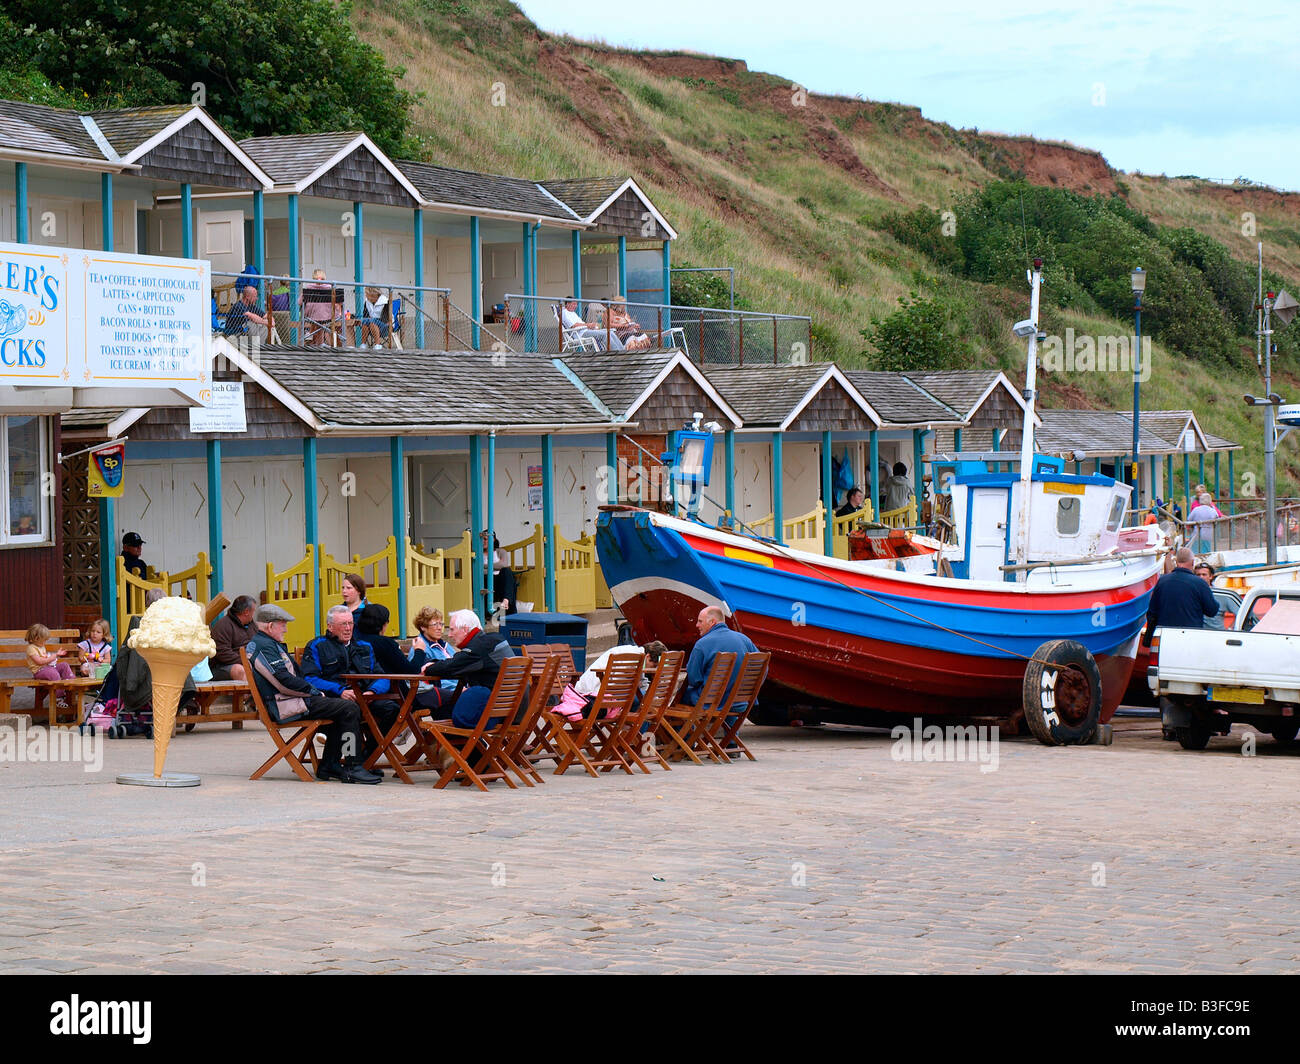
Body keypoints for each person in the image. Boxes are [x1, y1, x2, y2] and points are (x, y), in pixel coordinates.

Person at [245, 604, 380, 784]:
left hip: (289, 700)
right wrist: (314, 692)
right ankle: (352, 766)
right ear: (270, 626)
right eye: (283, 624)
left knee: (341, 709)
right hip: (285, 705)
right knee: (349, 708)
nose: (285, 629)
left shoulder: (265, 644)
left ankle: (329, 765)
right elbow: (283, 680)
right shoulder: (265, 646)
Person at [303, 605, 401, 766]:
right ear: (330, 626)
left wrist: (372, 692)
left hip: (365, 697)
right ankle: (351, 762)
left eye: (350, 623)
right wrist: (340, 691)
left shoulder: (364, 646)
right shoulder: (317, 645)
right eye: (343, 624)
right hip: (334, 699)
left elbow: (382, 676)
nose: (348, 628)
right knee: (349, 710)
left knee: (393, 709)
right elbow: (309, 679)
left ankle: (366, 758)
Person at [419, 608, 517, 728]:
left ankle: (463, 746)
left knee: (442, 707)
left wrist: (430, 667)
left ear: (465, 629)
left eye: (452, 630)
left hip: (495, 713)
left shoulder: (479, 648)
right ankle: (469, 746)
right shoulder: (495, 639)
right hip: (513, 708)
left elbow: (453, 665)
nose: (449, 635)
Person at [681, 606, 757, 708]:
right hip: (739, 703)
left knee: (677, 696)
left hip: (709, 703)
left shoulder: (702, 644)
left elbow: (694, 679)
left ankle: (684, 724)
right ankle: (725, 724)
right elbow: (762, 669)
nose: (697, 625)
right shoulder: (745, 640)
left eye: (700, 621)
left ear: (712, 622)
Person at [1142, 546, 1219, 645]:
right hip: (1191, 638)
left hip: (1165, 639)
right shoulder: (1199, 583)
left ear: (1176, 561)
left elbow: (1152, 613)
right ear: (1192, 562)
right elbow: (1212, 611)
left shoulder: (1162, 582)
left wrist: (1148, 639)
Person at [407, 606, 459, 711]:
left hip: (459, 686)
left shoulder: (445, 645)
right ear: (423, 627)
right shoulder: (420, 647)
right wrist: (459, 688)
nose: (440, 628)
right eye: (435, 624)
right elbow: (423, 679)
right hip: (444, 692)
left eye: (441, 624)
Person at [25, 623, 76, 709]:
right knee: (53, 673)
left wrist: (53, 658)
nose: (45, 642)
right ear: (37, 638)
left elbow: (45, 659)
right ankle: (59, 698)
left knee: (64, 665)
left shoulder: (41, 646)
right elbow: (40, 662)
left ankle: (71, 684)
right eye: (44, 640)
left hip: (47, 669)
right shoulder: (31, 648)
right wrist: (54, 656)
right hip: (39, 672)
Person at [209, 595, 258, 682]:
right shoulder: (223, 625)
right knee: (240, 670)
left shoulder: (251, 624)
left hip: (250, 662)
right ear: (246, 612)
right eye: (253, 611)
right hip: (222, 667)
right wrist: (246, 662)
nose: (253, 615)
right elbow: (222, 653)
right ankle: (249, 695)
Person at [479, 532, 518, 616]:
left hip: (499, 580)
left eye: (485, 539)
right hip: (484, 580)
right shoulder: (478, 554)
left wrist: (484, 566)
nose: (483, 542)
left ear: (493, 540)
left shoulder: (501, 551)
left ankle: (506, 601)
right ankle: (502, 609)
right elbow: (476, 569)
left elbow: (503, 565)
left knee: (507, 571)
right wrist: (495, 566)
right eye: (482, 539)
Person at [301, 270, 340, 346]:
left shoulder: (308, 289)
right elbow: (338, 303)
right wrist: (338, 313)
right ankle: (320, 343)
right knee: (321, 322)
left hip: (311, 315)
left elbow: (299, 302)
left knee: (317, 321)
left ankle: (313, 339)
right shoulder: (331, 288)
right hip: (328, 316)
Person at [1193, 561, 1225, 631]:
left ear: (1211, 576)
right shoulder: (1191, 594)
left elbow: (1241, 612)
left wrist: (1232, 629)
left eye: (1204, 574)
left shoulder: (1222, 594)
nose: (1201, 577)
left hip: (1217, 635)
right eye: (1198, 575)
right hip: (1198, 635)